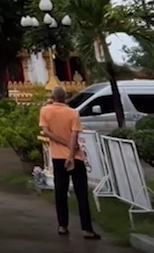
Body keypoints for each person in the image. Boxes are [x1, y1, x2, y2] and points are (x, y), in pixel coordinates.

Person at [39, 86, 100, 240]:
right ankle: (87, 229)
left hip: (58, 157)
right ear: (65, 98)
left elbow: (46, 132)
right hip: (76, 157)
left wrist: (64, 146)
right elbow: (74, 135)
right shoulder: (72, 113)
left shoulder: (45, 111)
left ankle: (62, 226)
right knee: (81, 194)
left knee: (60, 192)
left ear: (52, 97)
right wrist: (71, 154)